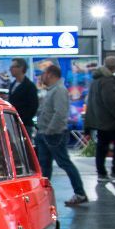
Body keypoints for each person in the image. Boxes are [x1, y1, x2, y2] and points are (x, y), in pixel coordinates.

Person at [35, 62, 89, 207]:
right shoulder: (52, 90)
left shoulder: (59, 90)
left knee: (64, 163)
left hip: (54, 135)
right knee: (45, 166)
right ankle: (44, 195)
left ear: (50, 75)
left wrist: (49, 130)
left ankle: (80, 193)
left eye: (43, 74)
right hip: (46, 133)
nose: (41, 78)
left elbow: (60, 113)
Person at [85, 55, 115, 181]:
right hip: (111, 122)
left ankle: (101, 173)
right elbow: (113, 103)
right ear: (114, 67)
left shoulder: (96, 80)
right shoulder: (108, 81)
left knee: (101, 147)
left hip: (100, 121)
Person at [7, 59, 39, 131]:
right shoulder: (13, 85)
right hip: (12, 124)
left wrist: (22, 119)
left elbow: (33, 106)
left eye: (13, 67)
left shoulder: (29, 86)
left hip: (24, 125)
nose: (10, 69)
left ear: (21, 68)